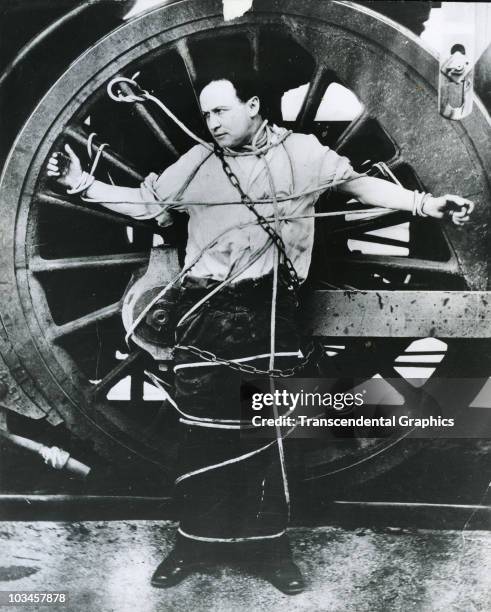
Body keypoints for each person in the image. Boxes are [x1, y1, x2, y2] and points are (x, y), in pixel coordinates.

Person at [46, 71, 473, 595]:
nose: (212, 123)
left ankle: (272, 551)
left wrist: (425, 205)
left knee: (267, 434)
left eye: (221, 111)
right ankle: (190, 544)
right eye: (206, 114)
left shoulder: (303, 155)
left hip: (272, 310)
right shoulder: (201, 162)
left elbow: (358, 184)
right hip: (205, 313)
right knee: (200, 433)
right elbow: (148, 202)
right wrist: (81, 185)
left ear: (253, 105)